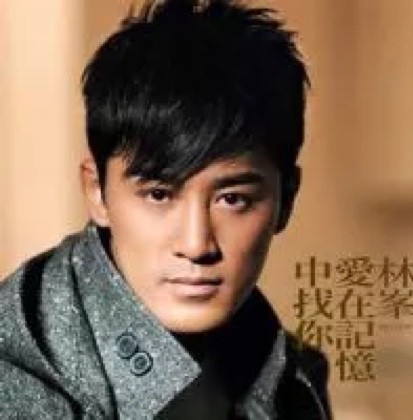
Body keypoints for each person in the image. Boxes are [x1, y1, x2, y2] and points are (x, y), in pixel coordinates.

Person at [0, 0, 332, 418]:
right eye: (159, 195)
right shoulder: (17, 379)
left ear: (287, 199)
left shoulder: (292, 377)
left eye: (233, 200)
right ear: (97, 191)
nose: (196, 245)